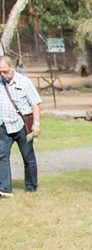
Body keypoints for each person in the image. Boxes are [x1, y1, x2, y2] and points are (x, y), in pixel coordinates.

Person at [0, 55, 41, 198]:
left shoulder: (24, 82)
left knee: (28, 157)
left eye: (4, 71)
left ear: (12, 68)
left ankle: (31, 187)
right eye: (0, 72)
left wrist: (36, 124)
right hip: (4, 125)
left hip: (23, 126)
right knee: (1, 155)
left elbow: (35, 104)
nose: (2, 74)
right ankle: (5, 188)